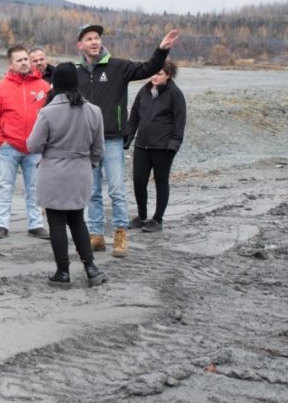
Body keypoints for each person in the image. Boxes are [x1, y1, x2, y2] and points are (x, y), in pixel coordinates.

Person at [76, 23, 180, 257]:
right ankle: (96, 235)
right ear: (80, 45)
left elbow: (148, 67)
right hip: (86, 141)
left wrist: (162, 49)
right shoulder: (76, 72)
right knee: (91, 191)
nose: (94, 41)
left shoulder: (118, 67)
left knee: (116, 190)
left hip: (112, 139)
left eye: (97, 38)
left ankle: (120, 234)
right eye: (89, 38)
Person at [26, 63, 107, 288]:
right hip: (81, 171)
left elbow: (33, 145)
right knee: (78, 220)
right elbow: (99, 149)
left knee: (57, 223)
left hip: (53, 171)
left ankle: (63, 272)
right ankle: (91, 268)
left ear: (55, 84)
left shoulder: (48, 111)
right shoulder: (94, 111)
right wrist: (85, 163)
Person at [0, 45, 50, 240]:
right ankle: (2, 224)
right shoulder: (2, 87)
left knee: (35, 188)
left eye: (26, 59)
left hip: (34, 148)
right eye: (19, 60)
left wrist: (45, 141)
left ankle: (36, 224)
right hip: (8, 147)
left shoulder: (43, 86)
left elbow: (51, 114)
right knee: (5, 186)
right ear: (10, 64)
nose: (24, 63)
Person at [125, 60, 186, 233]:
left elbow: (180, 121)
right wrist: (129, 137)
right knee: (138, 181)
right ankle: (142, 216)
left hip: (163, 147)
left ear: (168, 75)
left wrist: (174, 144)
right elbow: (134, 116)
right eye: (153, 73)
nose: (154, 76)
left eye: (159, 74)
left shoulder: (175, 94)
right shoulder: (144, 91)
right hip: (142, 145)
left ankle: (157, 219)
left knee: (161, 181)